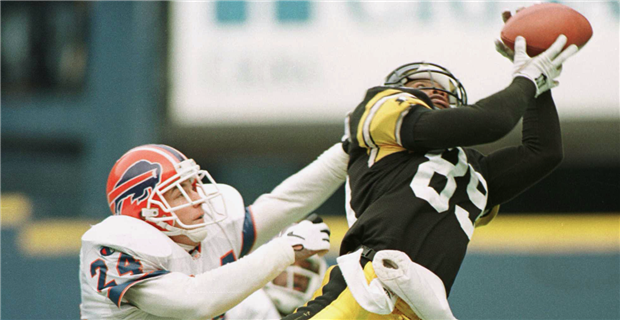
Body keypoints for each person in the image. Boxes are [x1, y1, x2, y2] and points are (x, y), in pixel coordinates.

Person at [283, 33, 579, 319]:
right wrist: (526, 80)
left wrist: (540, 90)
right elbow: (493, 122)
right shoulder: (383, 118)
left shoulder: (475, 169)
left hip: (419, 309)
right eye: (423, 85)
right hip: (367, 285)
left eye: (442, 88)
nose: (436, 90)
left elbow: (544, 152)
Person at [79, 142, 348, 319]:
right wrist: (284, 249)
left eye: (194, 185)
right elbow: (195, 301)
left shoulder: (207, 231)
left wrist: (347, 152)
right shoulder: (116, 249)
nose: (198, 197)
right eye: (179, 192)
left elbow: (284, 203)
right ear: (146, 210)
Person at [224, 253, 328, 319]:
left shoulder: (322, 313)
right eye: (289, 264)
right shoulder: (246, 305)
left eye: (306, 267)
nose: (297, 274)